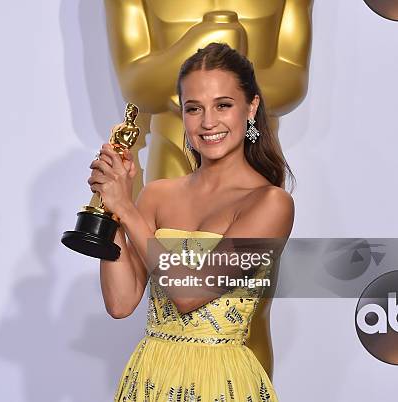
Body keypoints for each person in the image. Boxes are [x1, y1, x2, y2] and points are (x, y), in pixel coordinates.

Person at [88, 43, 294, 401]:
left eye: (223, 105)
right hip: (151, 375)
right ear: (182, 114)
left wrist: (128, 208)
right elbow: (121, 303)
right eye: (194, 108)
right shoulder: (157, 195)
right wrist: (113, 208)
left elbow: (188, 293)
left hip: (220, 382)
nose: (208, 122)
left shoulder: (271, 203)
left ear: (252, 107)